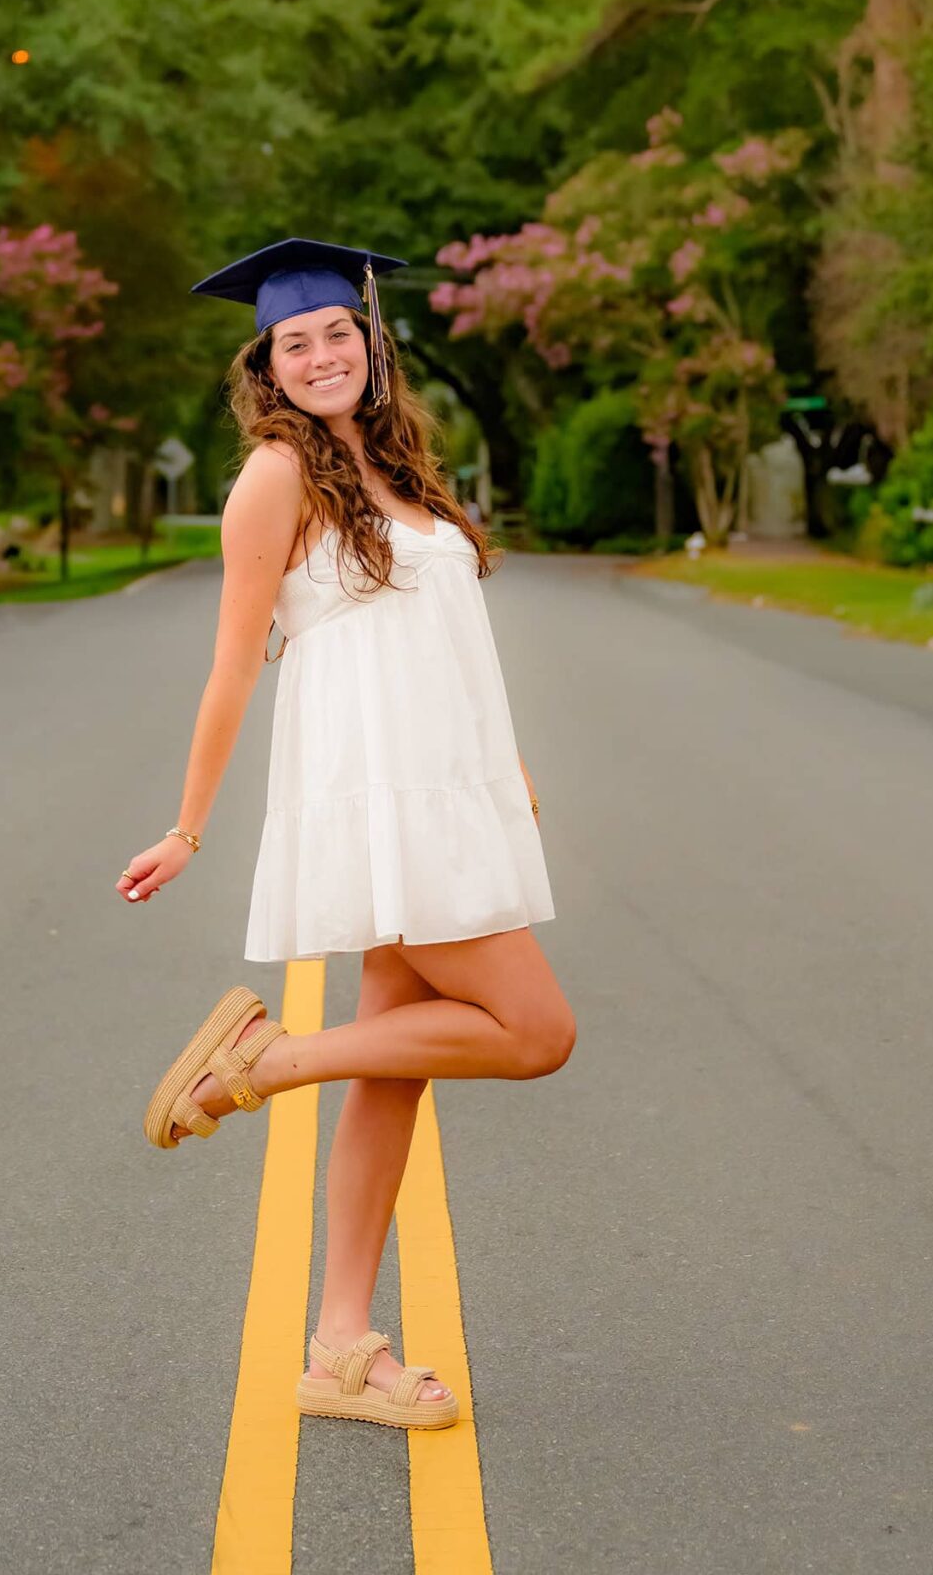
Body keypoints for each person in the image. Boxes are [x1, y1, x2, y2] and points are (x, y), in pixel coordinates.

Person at [116, 238, 575, 1433]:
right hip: (386, 802)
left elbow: (447, 644)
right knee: (536, 1033)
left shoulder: (402, 465)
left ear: (371, 341)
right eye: (294, 342)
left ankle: (338, 1348)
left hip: (451, 793)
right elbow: (233, 661)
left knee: (398, 1065)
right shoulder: (275, 476)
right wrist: (189, 825)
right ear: (266, 364)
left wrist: (507, 765)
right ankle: (264, 1064)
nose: (320, 355)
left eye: (337, 332)